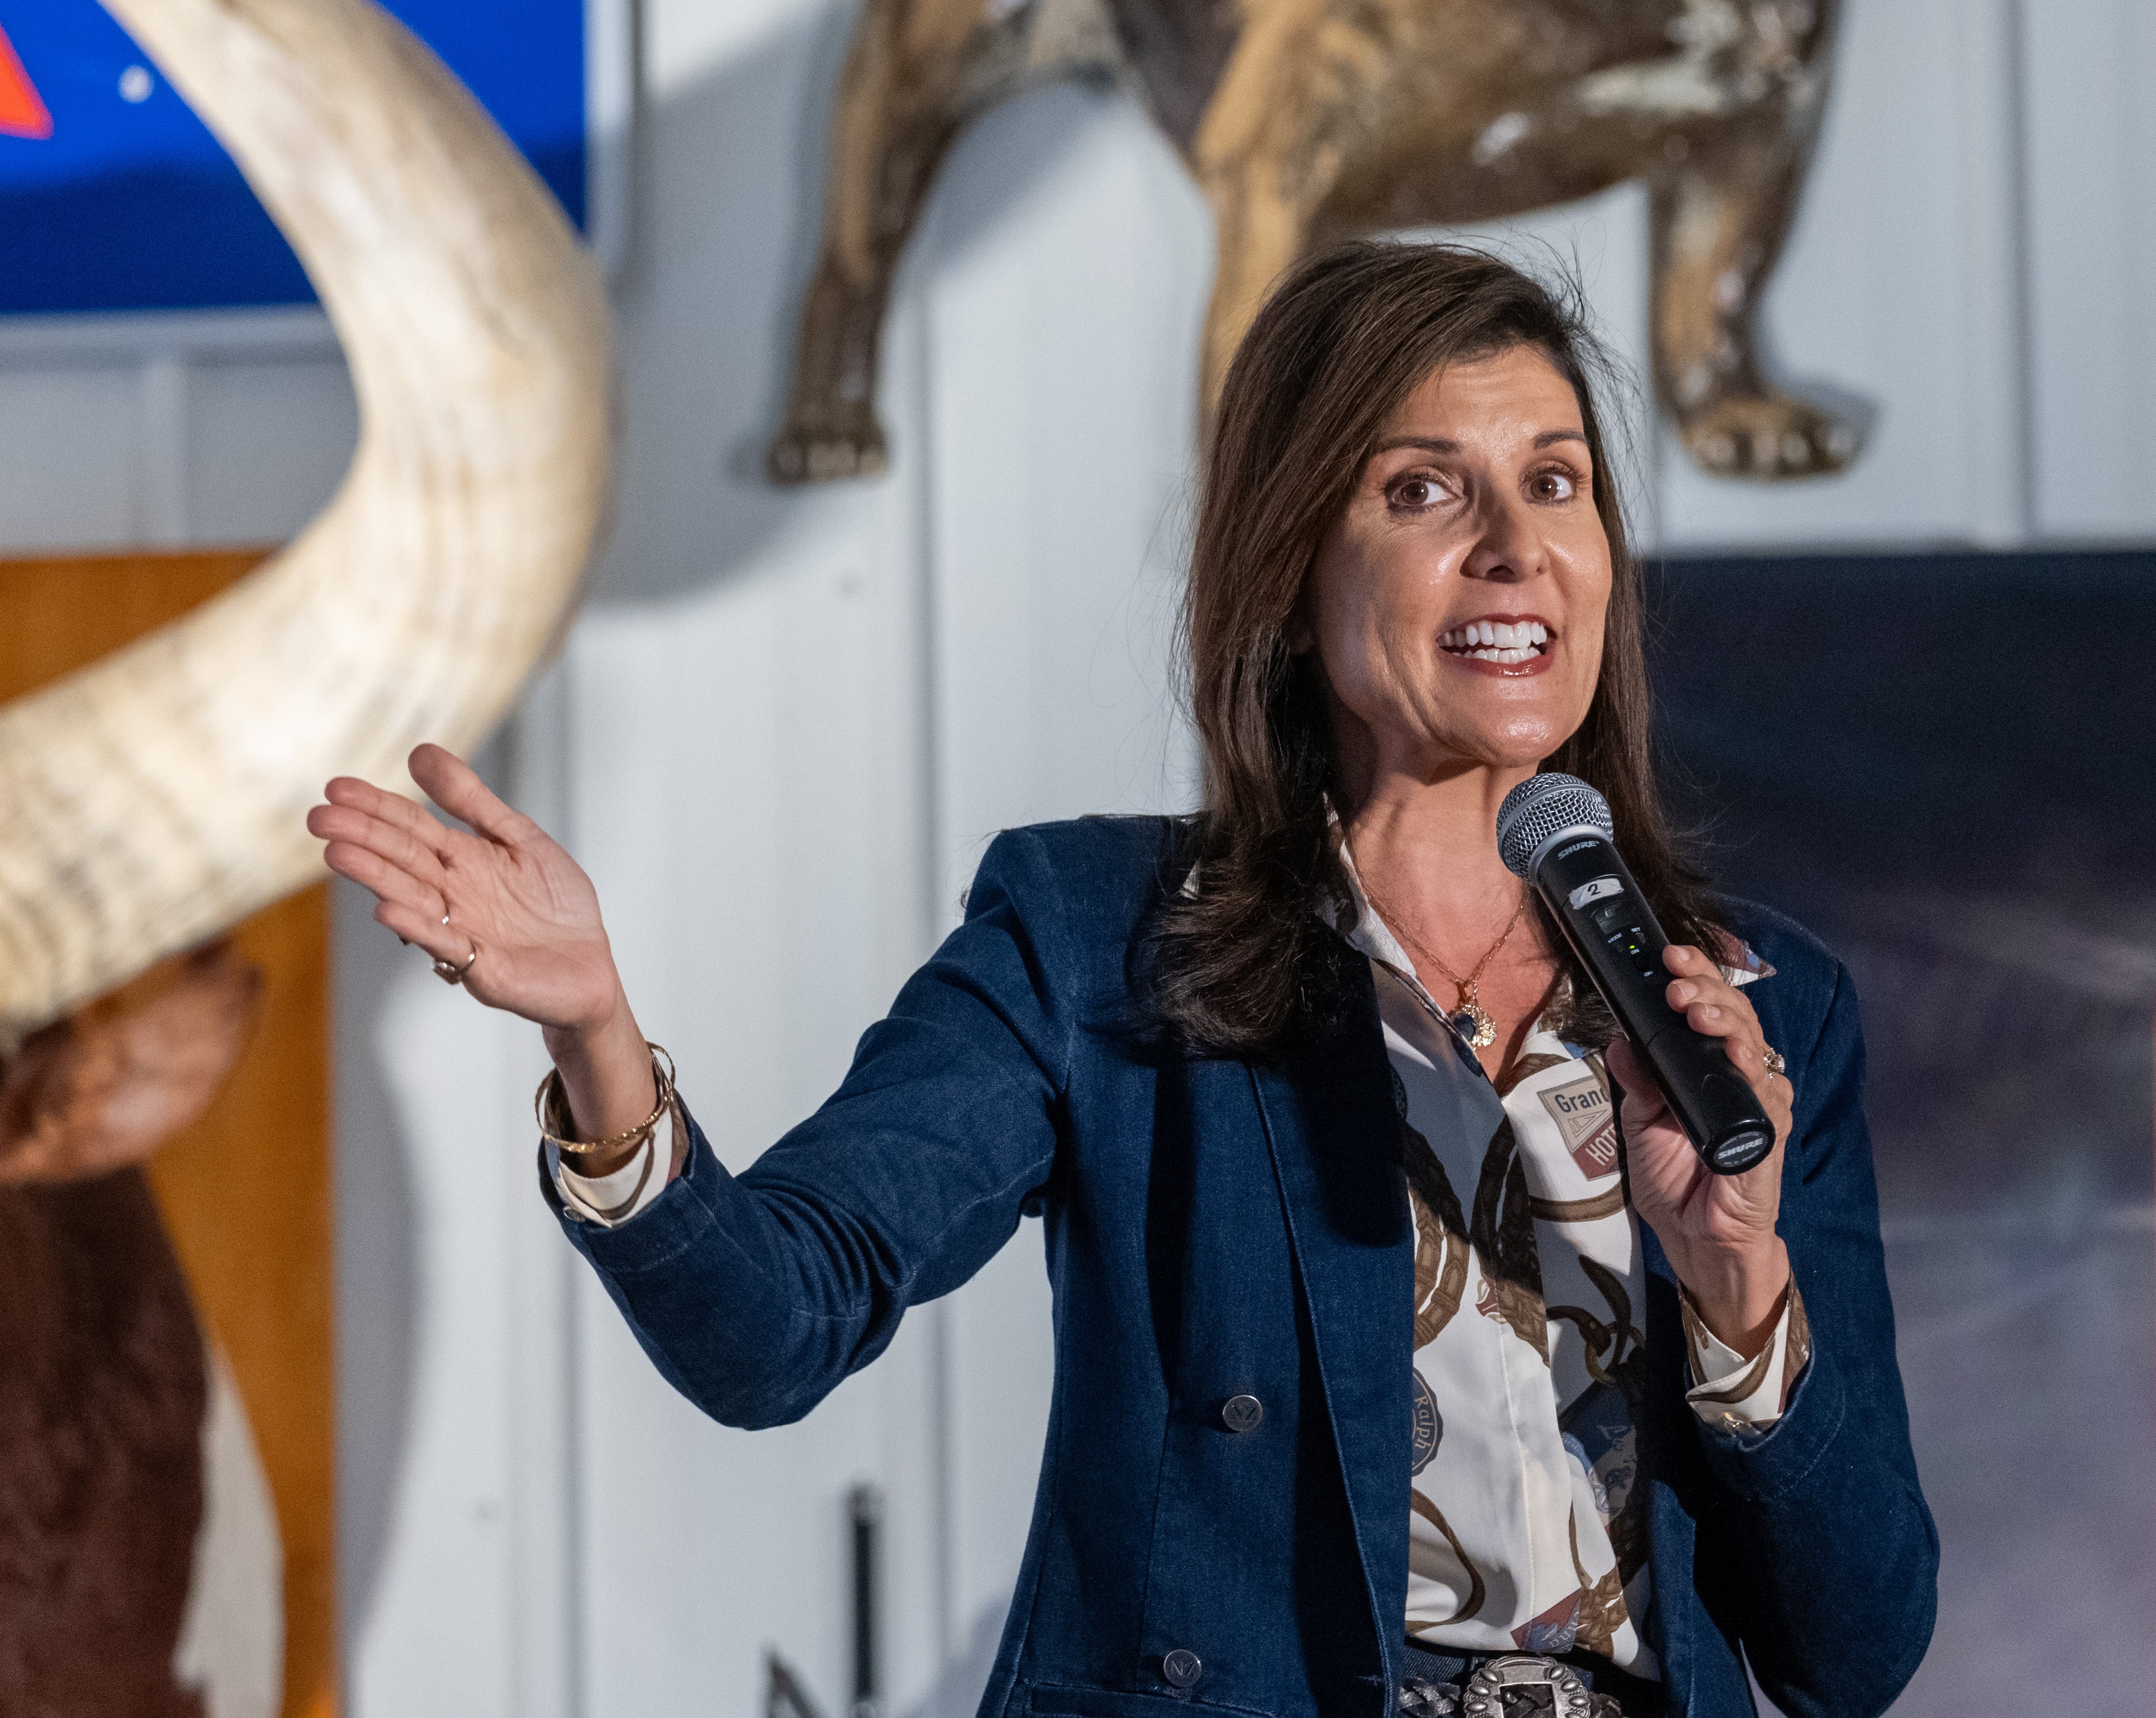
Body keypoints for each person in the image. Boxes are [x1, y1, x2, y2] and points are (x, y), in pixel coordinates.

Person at [309, 242, 1936, 1717]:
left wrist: (1738, 1287)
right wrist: (597, 1031)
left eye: (1558, 483)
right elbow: (771, 1325)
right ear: (1296, 576)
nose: (1515, 548)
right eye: (1427, 492)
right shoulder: (1099, 935)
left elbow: (1850, 1650)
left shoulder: (1760, 1009)